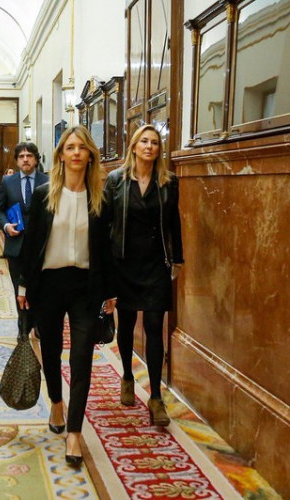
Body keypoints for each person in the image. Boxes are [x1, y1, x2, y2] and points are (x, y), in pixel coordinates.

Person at [18, 125, 115, 467]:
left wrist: (110, 292)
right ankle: (56, 401)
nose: (75, 153)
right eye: (69, 147)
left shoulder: (102, 197)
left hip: (86, 286)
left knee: (82, 357)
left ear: (90, 155)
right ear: (61, 154)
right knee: (52, 350)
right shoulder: (46, 194)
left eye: (81, 147)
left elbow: (107, 249)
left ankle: (74, 431)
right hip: (49, 283)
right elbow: (30, 247)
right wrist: (23, 287)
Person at [103, 124, 184, 427]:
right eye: (144, 142)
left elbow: (174, 222)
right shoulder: (115, 181)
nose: (150, 146)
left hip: (155, 264)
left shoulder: (168, 182)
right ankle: (126, 375)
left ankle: (156, 397)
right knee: (125, 324)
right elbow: (106, 224)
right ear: (133, 147)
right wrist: (104, 268)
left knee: (153, 325)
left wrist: (177, 259)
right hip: (123, 263)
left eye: (155, 142)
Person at [0, 143, 49, 337]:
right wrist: (6, 226)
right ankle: (23, 326)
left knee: (40, 287)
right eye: (21, 156)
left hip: (42, 246)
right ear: (17, 160)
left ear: (36, 159)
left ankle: (39, 323)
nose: (25, 159)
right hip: (16, 245)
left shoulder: (48, 181)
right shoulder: (8, 182)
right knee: (20, 288)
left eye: (29, 155)